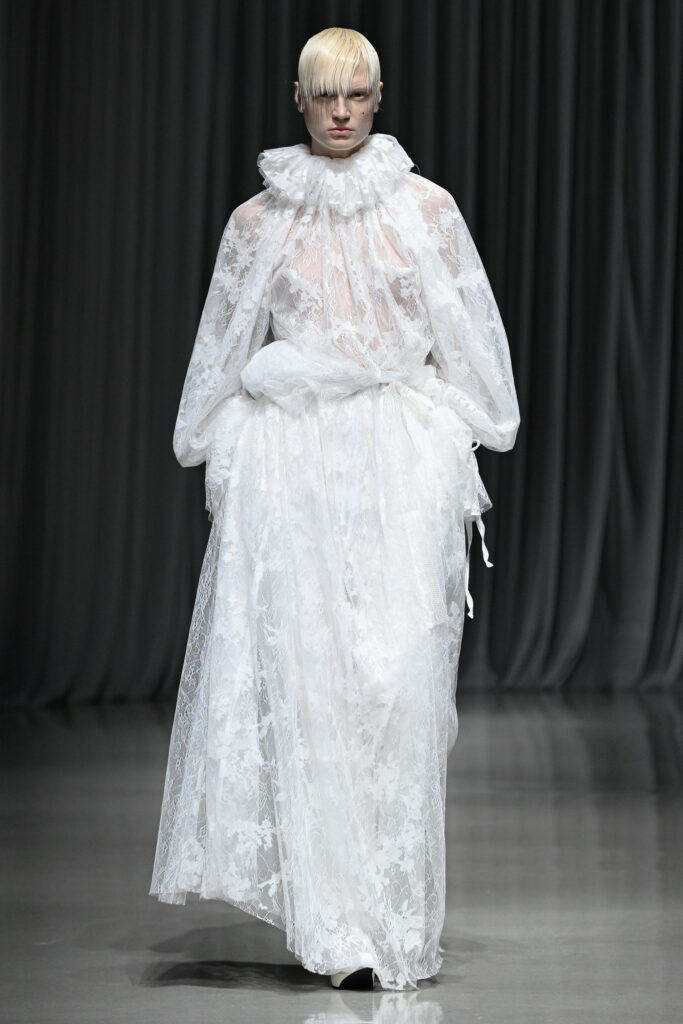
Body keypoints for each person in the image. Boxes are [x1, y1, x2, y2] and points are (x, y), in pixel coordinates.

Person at [149, 26, 520, 993]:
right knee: (310, 691)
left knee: (396, 690)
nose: (343, 112)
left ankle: (395, 920)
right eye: (326, 96)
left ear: (380, 96)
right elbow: (218, 360)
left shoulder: (425, 210)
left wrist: (441, 437)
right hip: (293, 472)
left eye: (357, 94)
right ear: (299, 100)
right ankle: (336, 927)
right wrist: (234, 453)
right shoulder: (257, 221)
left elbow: (474, 353)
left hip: (396, 465)